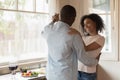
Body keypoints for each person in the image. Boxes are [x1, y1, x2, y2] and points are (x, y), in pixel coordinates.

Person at [41, 5, 98, 80]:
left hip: (51, 75)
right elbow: (83, 58)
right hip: (66, 76)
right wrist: (96, 61)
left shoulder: (48, 30)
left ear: (60, 16)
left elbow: (43, 32)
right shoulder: (73, 34)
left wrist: (53, 21)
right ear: (73, 18)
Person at [69, 13, 105, 80]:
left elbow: (85, 48)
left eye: (88, 23)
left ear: (95, 23)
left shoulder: (100, 38)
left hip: (88, 73)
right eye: (84, 25)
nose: (85, 26)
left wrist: (78, 34)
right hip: (77, 70)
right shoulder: (83, 37)